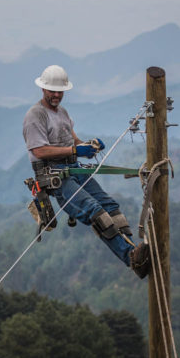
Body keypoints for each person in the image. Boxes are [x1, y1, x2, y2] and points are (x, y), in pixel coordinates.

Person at [22, 65, 150, 278]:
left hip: (73, 168)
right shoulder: (36, 115)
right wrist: (75, 149)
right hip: (54, 175)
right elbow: (39, 150)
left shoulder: (62, 113)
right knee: (94, 210)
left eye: (59, 91)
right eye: (52, 90)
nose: (56, 95)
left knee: (110, 206)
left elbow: (74, 141)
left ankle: (136, 250)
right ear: (43, 89)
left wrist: (89, 147)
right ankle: (130, 256)